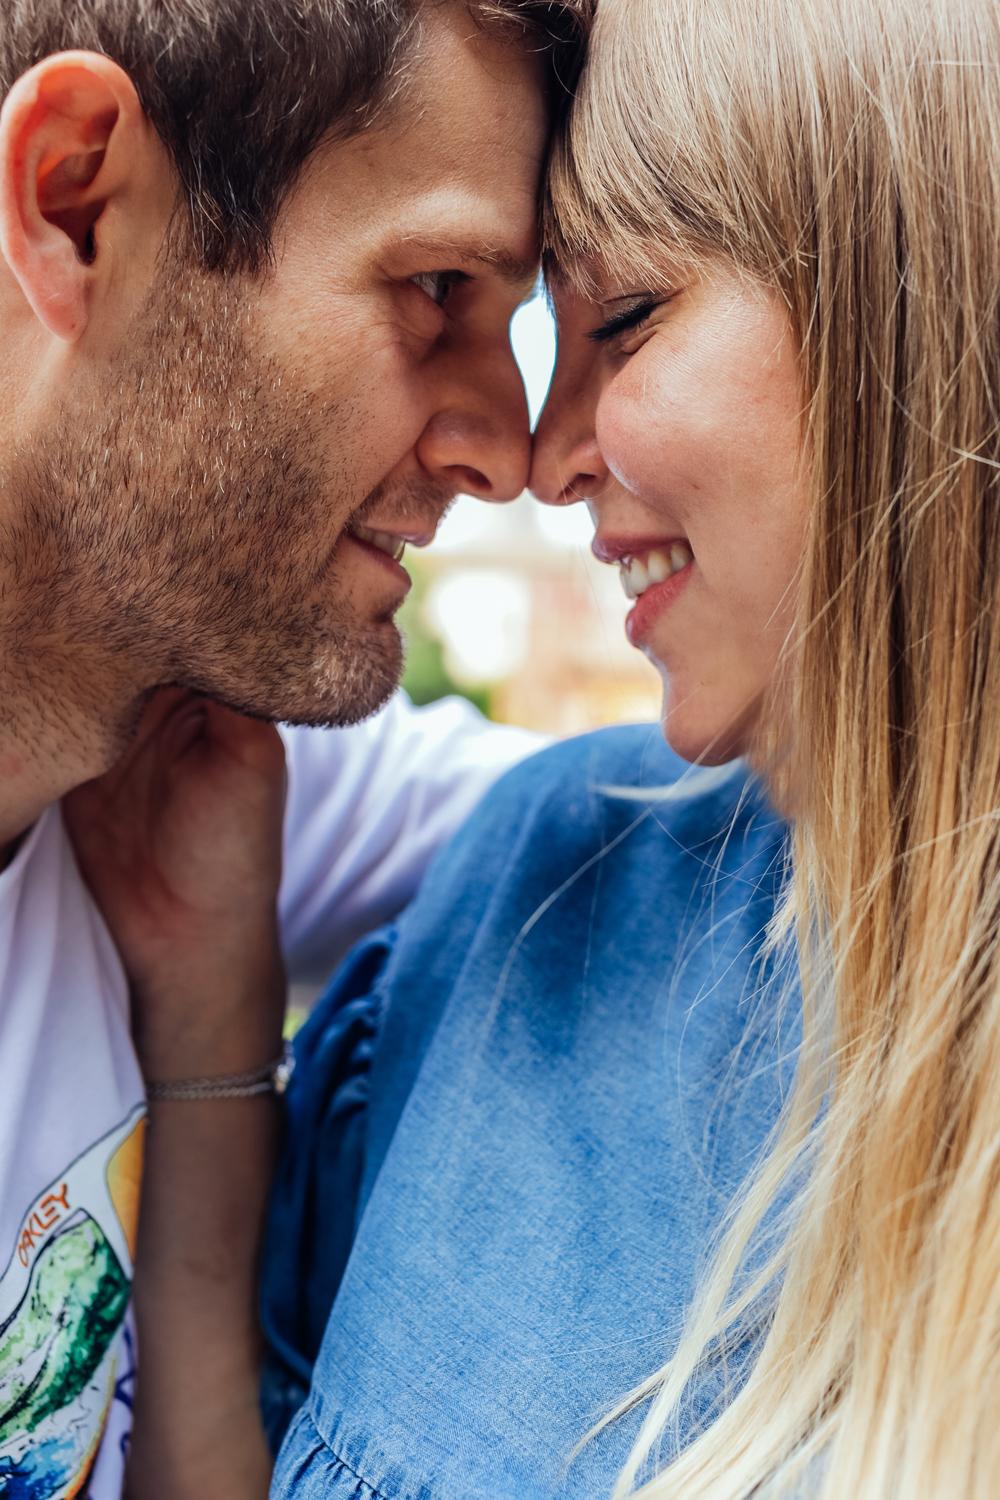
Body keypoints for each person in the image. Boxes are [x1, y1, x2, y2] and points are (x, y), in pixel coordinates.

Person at [79, 0, 1000, 1495]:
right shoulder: (546, 881)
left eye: (625, 318)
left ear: (919, 302)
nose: (534, 455)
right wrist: (207, 1037)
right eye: (452, 296)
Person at [0, 2, 590, 1497]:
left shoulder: (196, 769)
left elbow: (696, 833)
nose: (509, 450)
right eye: (436, 288)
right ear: (75, 204)